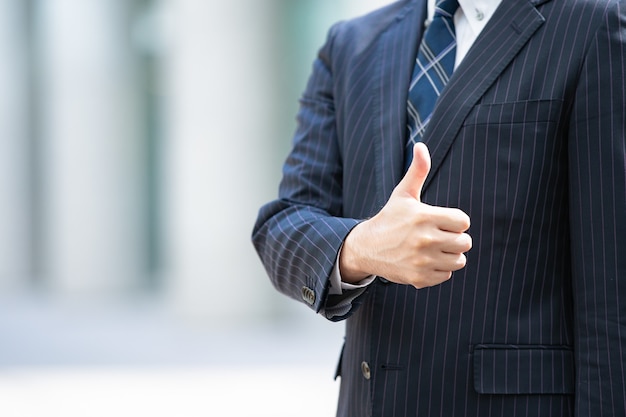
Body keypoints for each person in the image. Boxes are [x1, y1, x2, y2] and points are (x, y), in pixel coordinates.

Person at [252, 0, 626, 415]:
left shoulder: (595, 23)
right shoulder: (350, 44)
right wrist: (360, 247)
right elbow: (282, 224)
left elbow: (612, 303)